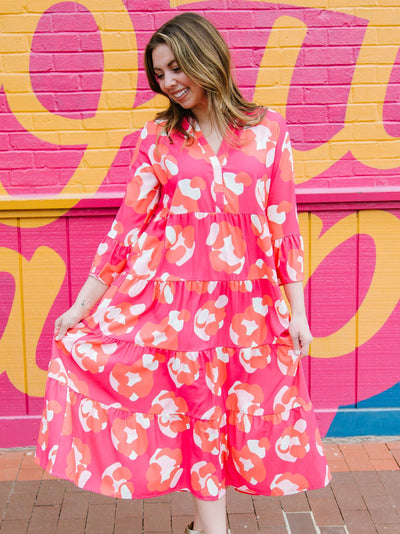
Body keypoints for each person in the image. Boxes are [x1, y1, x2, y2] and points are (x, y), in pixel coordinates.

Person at [35, 12, 331, 534]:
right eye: (160, 74)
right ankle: (214, 529)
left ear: (206, 57)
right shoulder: (158, 136)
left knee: (235, 413)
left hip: (250, 308)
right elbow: (128, 224)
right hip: (176, 309)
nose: (169, 81)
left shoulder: (269, 131)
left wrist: (299, 313)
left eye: (176, 67)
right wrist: (83, 305)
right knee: (197, 414)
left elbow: (283, 223)